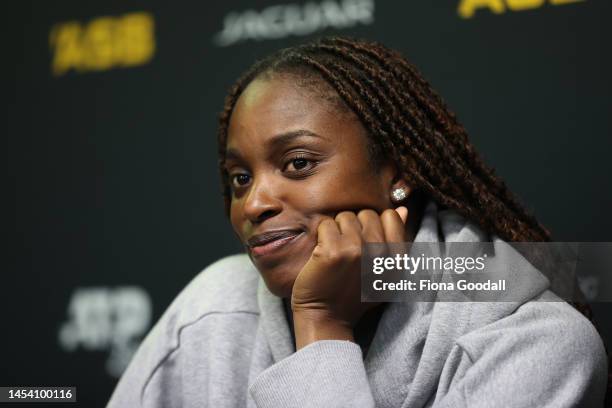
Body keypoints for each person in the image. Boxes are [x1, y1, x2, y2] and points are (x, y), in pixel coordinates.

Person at [107, 36, 608, 407]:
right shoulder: (211, 312)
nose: (253, 203)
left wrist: (322, 325)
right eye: (239, 178)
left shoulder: (537, 343)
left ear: (399, 173)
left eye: (298, 163)